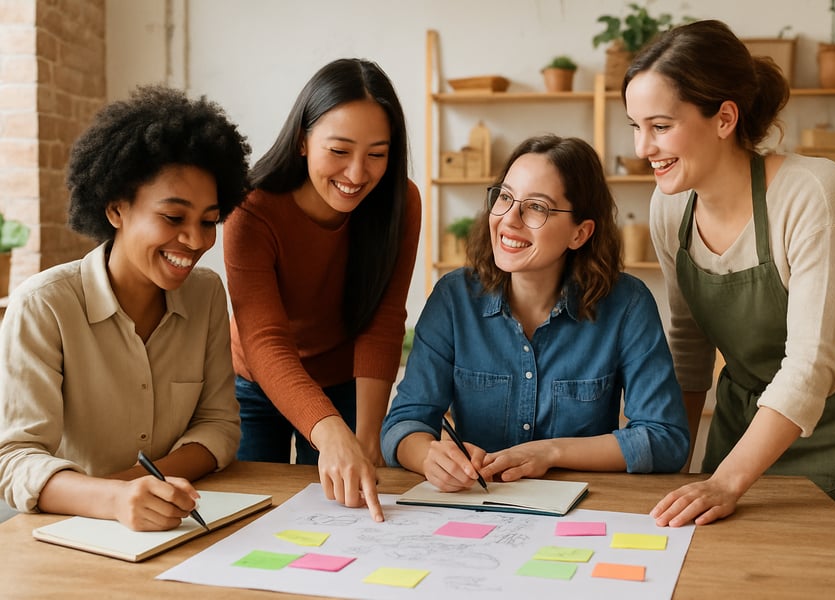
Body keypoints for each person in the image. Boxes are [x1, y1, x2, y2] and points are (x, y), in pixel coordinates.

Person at [623, 19, 835, 547]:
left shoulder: (813, 191)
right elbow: (689, 346)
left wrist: (727, 480)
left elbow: (811, 366)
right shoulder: (668, 206)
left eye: (659, 126)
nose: (642, 148)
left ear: (724, 117)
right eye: (635, 126)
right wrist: (677, 465)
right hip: (738, 424)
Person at [0, 85, 250, 531]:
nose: (196, 241)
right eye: (174, 218)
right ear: (116, 208)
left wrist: (139, 486)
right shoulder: (43, 306)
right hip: (70, 533)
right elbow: (14, 459)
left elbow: (219, 425)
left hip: (174, 522)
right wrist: (113, 499)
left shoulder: (206, 293)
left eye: (209, 221)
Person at [381, 134, 689, 489]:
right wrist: (428, 456)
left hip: (584, 512)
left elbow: (666, 439)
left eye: (536, 207)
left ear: (580, 233)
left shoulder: (627, 304)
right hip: (474, 508)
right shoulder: (454, 298)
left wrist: (551, 453)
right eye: (506, 198)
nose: (509, 220)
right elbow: (402, 425)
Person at [224, 58, 420, 522]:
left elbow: (384, 319)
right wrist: (331, 434)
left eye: (377, 153)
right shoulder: (249, 211)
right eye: (339, 150)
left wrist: (367, 437)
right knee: (257, 519)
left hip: (346, 381)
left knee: (342, 514)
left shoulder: (398, 202)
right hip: (257, 382)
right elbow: (265, 342)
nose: (357, 173)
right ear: (302, 140)